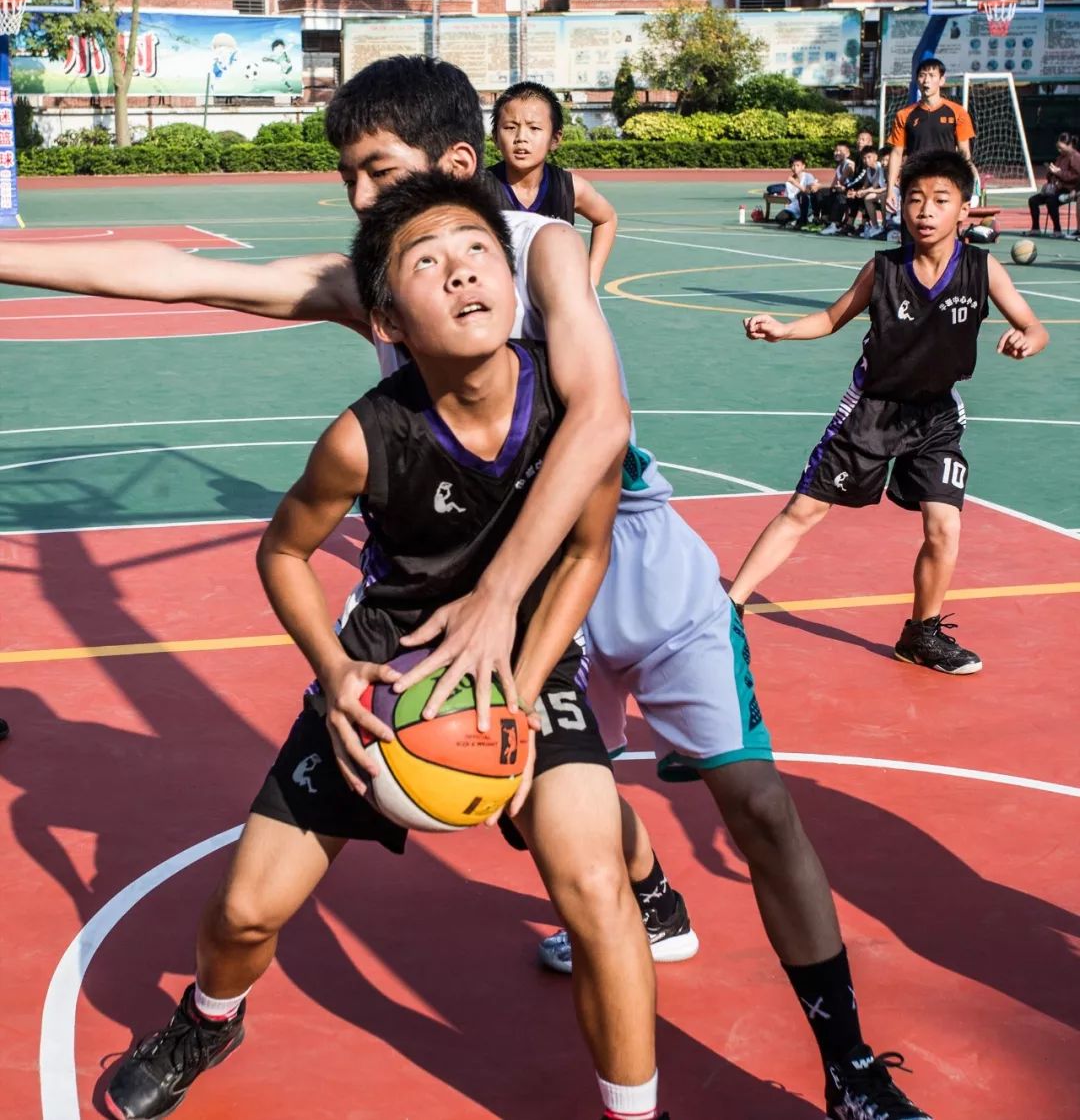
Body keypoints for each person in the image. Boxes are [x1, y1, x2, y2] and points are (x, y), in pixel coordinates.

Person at [1, 57, 935, 1120]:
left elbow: (600, 423)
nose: (359, 198)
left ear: (456, 163)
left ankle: (848, 1063)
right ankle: (636, 890)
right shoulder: (386, 280)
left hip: (616, 564)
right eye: (351, 179)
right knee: (576, 817)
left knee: (753, 808)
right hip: (492, 602)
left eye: (375, 171)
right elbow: (180, 272)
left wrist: (504, 610)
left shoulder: (540, 252)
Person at [103, 172, 664, 1120]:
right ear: (387, 321)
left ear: (514, 280)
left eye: (478, 251)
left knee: (598, 886)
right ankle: (209, 1016)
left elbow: (586, 552)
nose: (462, 273)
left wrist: (520, 696)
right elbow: (282, 550)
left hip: (529, 662)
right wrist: (332, 671)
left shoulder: (575, 412)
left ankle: (634, 1111)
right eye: (427, 263)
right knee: (245, 912)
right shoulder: (365, 438)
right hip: (386, 672)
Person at [729, 150, 1048, 675]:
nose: (925, 210)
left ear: (964, 211)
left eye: (941, 201)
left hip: (937, 415)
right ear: (901, 207)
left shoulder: (981, 269)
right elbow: (833, 318)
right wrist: (784, 329)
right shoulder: (883, 269)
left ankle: (921, 634)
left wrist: (1026, 340)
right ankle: (730, 605)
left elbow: (1036, 327)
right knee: (806, 510)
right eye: (916, 199)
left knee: (944, 525)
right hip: (873, 410)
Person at [486, 80, 618, 285]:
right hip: (500, 304)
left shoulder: (569, 187)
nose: (521, 138)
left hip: (553, 305)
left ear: (555, 139)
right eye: (510, 127)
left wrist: (591, 276)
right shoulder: (477, 189)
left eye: (534, 128)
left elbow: (606, 219)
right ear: (495, 137)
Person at [885, 58, 977, 217]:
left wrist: (966, 185)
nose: (926, 80)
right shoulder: (904, 115)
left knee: (944, 235)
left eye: (931, 75)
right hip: (915, 181)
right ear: (917, 80)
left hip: (945, 182)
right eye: (922, 75)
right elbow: (896, 153)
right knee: (911, 233)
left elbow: (964, 153)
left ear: (942, 80)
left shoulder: (958, 113)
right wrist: (890, 190)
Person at [1028, 132, 1080, 237]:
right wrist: (1051, 173)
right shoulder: (1060, 158)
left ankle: (1057, 230)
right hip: (1057, 189)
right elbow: (1055, 175)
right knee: (1033, 200)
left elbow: (1075, 176)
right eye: (1058, 148)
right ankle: (1035, 228)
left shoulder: (1076, 157)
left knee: (1051, 201)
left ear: (1069, 145)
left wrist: (1058, 172)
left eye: (1061, 147)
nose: (1059, 150)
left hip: (1070, 190)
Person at [817, 142, 858, 235]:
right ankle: (824, 219)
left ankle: (835, 224)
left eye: (841, 151)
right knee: (821, 192)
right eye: (836, 150)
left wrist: (836, 188)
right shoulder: (839, 166)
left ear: (847, 154)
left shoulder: (849, 165)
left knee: (838, 195)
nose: (837, 153)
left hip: (850, 191)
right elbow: (834, 185)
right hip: (841, 189)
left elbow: (841, 182)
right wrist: (818, 187)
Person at [774, 154, 818, 230]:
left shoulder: (808, 176)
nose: (795, 168)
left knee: (801, 195)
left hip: (808, 205)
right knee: (779, 218)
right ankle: (796, 219)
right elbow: (788, 200)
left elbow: (808, 191)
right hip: (794, 208)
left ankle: (803, 220)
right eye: (793, 165)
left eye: (797, 165)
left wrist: (795, 183)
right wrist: (786, 210)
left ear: (803, 166)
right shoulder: (788, 182)